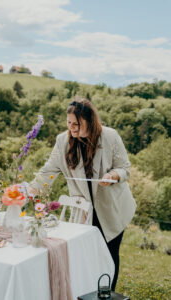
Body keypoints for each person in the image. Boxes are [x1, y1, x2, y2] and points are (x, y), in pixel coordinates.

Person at [30, 98, 136, 291]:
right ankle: (87, 291)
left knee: (109, 255)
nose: (72, 128)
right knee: (86, 255)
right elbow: (48, 171)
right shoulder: (62, 141)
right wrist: (31, 189)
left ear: (90, 121)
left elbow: (124, 168)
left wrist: (113, 175)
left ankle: (107, 293)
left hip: (112, 208)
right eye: (68, 123)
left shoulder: (110, 136)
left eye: (76, 124)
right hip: (84, 211)